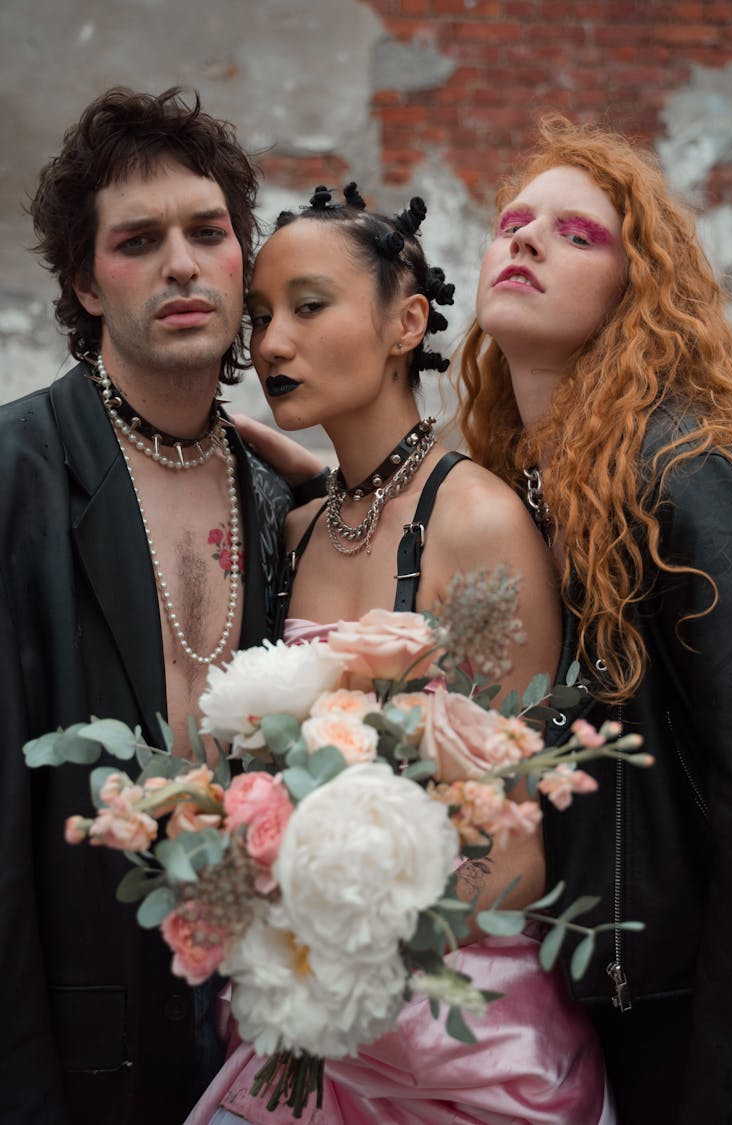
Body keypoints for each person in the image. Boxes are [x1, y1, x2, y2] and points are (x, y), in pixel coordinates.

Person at [186, 185, 615, 1124]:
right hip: (300, 1022)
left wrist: (342, 930)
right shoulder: (293, 528)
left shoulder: (478, 521)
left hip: (455, 1035)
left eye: (308, 305)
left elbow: (516, 851)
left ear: (405, 321)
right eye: (258, 317)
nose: (269, 344)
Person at [0, 87, 297, 1125]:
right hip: (81, 1049)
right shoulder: (17, 478)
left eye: (207, 233)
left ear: (239, 260)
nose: (180, 262)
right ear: (85, 283)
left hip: (259, 1036)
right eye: (138, 240)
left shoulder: (279, 496)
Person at [456, 115, 732, 1124]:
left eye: (579, 235)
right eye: (514, 221)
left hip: (679, 1000)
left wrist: (724, 1068)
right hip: (570, 979)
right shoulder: (510, 482)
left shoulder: (681, 471)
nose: (527, 240)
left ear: (637, 293)